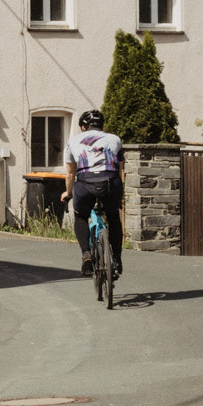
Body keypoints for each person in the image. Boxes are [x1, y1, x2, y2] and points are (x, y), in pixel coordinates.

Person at [65, 109, 125, 279]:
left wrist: (68, 192)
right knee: (113, 216)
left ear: (83, 127)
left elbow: (70, 174)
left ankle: (86, 255)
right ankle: (117, 259)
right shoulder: (115, 139)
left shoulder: (73, 141)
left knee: (81, 216)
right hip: (110, 183)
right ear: (102, 125)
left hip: (85, 184)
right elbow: (120, 167)